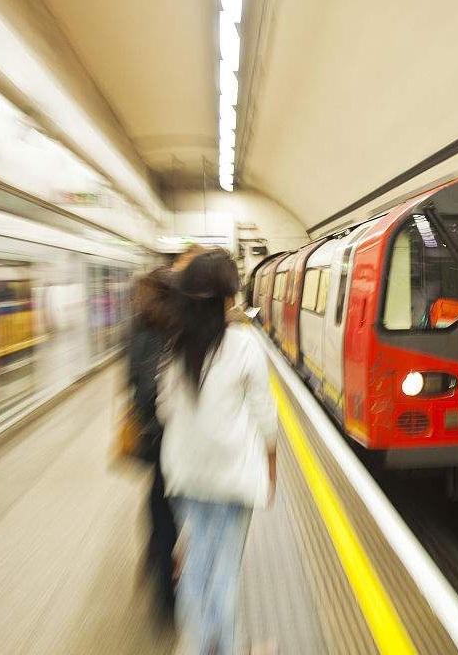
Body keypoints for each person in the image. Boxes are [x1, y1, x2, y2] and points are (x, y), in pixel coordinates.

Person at [158, 249, 278, 654]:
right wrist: (271, 467)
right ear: (227, 298)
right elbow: (265, 416)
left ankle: (194, 646)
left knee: (195, 565)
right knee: (224, 570)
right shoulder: (244, 345)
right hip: (230, 475)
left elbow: (163, 409)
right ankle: (224, 648)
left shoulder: (175, 348)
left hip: (186, 474)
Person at [128, 267, 179, 619]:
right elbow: (150, 390)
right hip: (168, 438)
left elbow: (132, 380)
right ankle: (167, 597)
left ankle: (156, 564)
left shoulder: (137, 328)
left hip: (151, 436)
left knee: (158, 506)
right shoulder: (166, 332)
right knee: (168, 514)